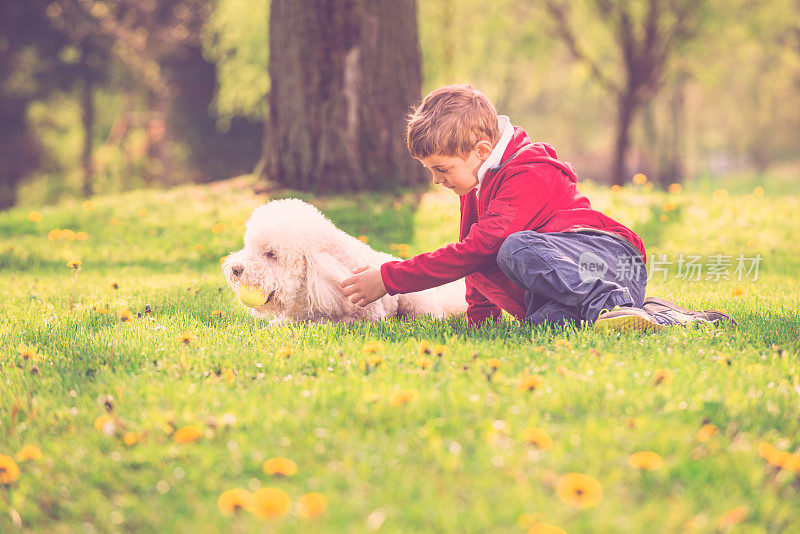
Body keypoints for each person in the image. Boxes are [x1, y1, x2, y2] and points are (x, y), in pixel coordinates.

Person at [341, 84, 734, 331]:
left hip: (605, 260)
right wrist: (482, 325)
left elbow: (481, 249)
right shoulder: (477, 185)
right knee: (545, 324)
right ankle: (661, 317)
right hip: (575, 282)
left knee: (514, 248)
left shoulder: (528, 172)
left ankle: (612, 304)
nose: (436, 180)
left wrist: (390, 278)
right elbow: (474, 259)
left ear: (480, 151)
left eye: (442, 169)